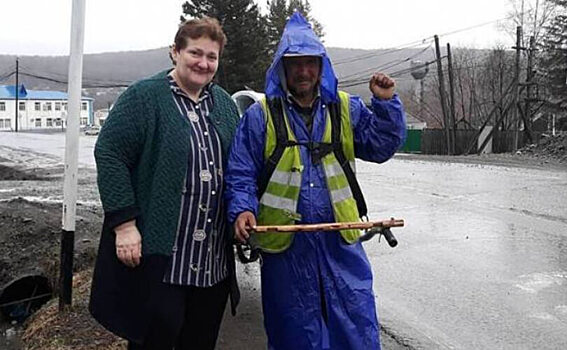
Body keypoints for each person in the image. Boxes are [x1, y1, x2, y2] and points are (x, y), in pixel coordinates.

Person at [225, 12, 406, 350]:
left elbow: (381, 146)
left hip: (342, 244)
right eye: (296, 64)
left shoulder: (345, 109)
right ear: (283, 68)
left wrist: (385, 104)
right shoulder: (260, 116)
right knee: (295, 333)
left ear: (322, 67)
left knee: (356, 328)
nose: (304, 71)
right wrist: (241, 211)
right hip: (286, 250)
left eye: (311, 62)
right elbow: (240, 173)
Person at [89, 16, 240, 350]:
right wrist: (124, 225)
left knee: (200, 342)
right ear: (175, 52)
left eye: (211, 57)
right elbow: (111, 152)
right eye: (195, 53)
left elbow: (242, 167)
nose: (203, 63)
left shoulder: (225, 105)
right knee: (154, 340)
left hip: (211, 263)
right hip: (164, 260)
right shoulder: (144, 97)